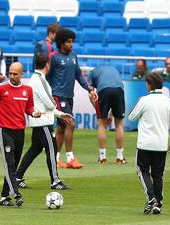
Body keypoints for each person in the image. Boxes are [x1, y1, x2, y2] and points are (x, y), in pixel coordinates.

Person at [0, 62, 42, 207]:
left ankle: (4, 197)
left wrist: (34, 113)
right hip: (4, 130)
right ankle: (16, 193)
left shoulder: (27, 90)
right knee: (9, 164)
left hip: (20, 132)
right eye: (10, 73)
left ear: (22, 74)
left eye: (15, 74)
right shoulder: (1, 88)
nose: (12, 76)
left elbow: (29, 107)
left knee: (13, 166)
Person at [15, 53, 72, 190]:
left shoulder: (36, 79)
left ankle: (17, 177)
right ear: (48, 64)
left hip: (39, 120)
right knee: (51, 149)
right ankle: (55, 181)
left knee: (35, 149)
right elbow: (49, 103)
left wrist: (59, 114)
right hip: (43, 122)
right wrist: (58, 112)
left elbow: (45, 103)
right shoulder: (39, 80)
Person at [47, 28, 98, 169]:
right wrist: (48, 94)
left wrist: (90, 90)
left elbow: (80, 76)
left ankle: (55, 159)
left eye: (72, 42)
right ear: (61, 43)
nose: (71, 44)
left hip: (69, 97)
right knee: (71, 123)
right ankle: (70, 158)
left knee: (62, 128)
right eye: (68, 42)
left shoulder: (73, 57)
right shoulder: (54, 57)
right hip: (58, 96)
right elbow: (46, 76)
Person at [128, 73, 170, 215]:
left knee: (142, 170)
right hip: (161, 144)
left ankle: (151, 197)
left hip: (145, 144)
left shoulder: (144, 100)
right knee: (158, 174)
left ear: (149, 85)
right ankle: (158, 204)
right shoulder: (168, 101)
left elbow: (131, 116)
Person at [87, 66, 126, 165]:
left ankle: (102, 158)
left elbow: (91, 94)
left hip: (104, 90)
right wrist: (110, 115)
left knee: (101, 124)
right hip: (119, 90)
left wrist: (100, 113)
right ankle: (120, 158)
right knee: (119, 125)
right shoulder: (114, 70)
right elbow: (115, 91)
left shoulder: (91, 74)